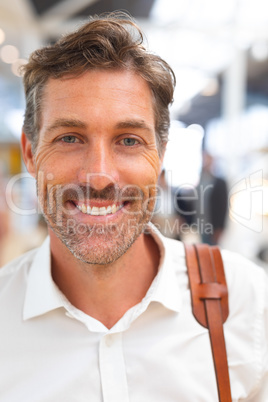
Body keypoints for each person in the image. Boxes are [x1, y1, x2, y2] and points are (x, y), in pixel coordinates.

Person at [0, 13, 267, 401]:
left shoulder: (248, 303)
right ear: (30, 152)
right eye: (70, 137)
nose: (100, 176)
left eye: (128, 141)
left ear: (159, 156)